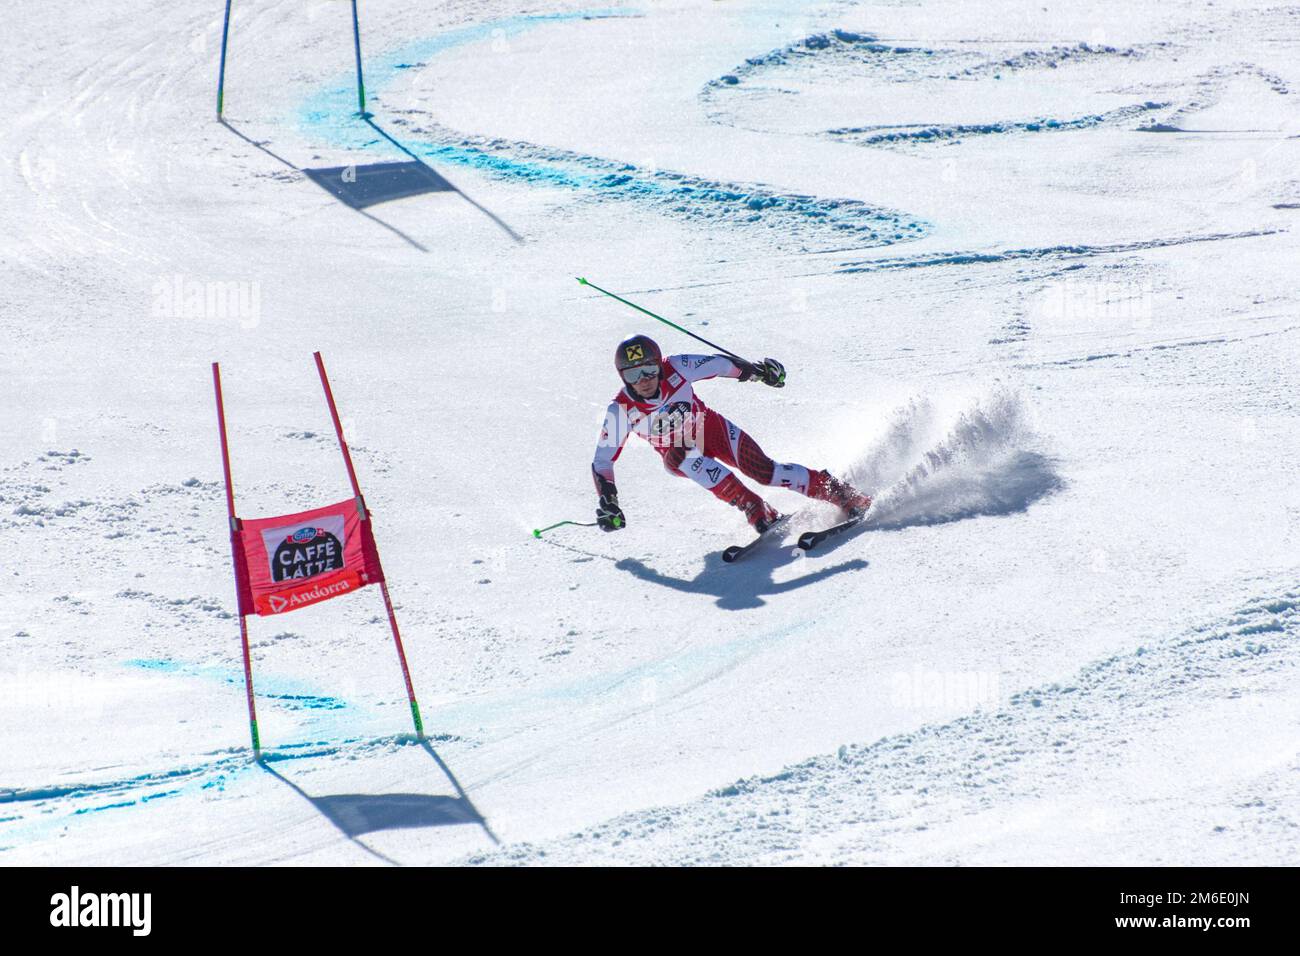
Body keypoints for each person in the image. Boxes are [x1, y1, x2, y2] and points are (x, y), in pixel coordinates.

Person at [591, 334, 871, 534]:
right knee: (682, 454)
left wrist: (760, 373)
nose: (644, 381)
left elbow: (719, 365)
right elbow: (602, 462)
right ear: (622, 376)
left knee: (765, 471)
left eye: (649, 370)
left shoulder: (676, 366)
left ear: (659, 365)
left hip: (712, 430)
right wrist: (609, 502)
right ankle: (755, 508)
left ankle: (840, 493)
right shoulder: (621, 411)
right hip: (679, 453)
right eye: (633, 375)